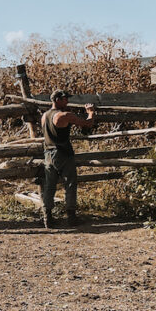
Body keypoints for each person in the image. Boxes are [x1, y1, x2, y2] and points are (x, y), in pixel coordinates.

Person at [40, 90, 95, 228]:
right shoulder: (65, 115)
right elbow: (87, 124)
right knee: (70, 184)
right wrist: (90, 112)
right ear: (57, 99)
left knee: (49, 186)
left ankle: (47, 217)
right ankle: (71, 217)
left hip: (48, 153)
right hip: (63, 153)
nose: (67, 101)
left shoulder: (44, 116)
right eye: (65, 99)